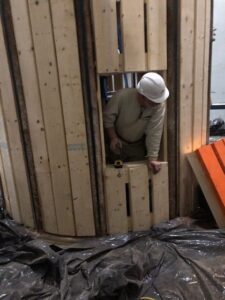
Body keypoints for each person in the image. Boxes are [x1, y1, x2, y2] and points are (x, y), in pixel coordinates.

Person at [103, 72, 169, 174]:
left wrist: (152, 158)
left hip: (137, 146)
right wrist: (113, 138)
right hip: (117, 142)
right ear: (141, 95)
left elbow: (155, 131)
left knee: (137, 176)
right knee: (115, 176)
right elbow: (108, 118)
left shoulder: (158, 105)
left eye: (158, 102)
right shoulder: (121, 96)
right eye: (153, 102)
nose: (156, 105)